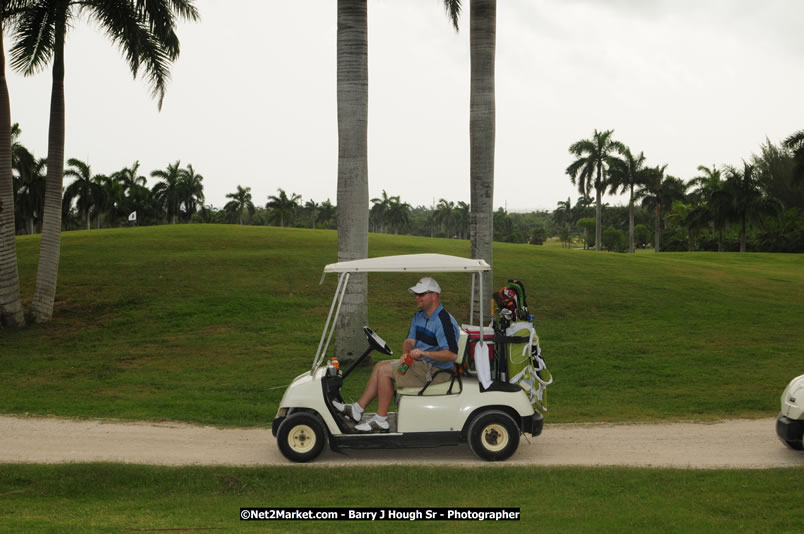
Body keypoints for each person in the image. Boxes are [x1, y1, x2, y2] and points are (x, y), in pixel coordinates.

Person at [333, 276, 461, 432]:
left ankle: (381, 419)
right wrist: (407, 351)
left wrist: (423, 352)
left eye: (421, 294)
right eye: (416, 294)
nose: (417, 297)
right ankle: (357, 409)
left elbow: (451, 355)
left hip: (437, 371)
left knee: (385, 371)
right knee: (379, 366)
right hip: (421, 365)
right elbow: (409, 341)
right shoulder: (419, 316)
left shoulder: (443, 321)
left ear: (434, 295)